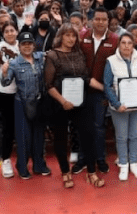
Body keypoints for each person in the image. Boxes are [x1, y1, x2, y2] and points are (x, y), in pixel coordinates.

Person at [45, 23, 104, 188]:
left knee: (88, 135)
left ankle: (91, 172)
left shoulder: (79, 53)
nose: (71, 39)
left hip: (80, 102)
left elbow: (85, 78)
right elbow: (48, 85)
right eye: (67, 35)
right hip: (60, 104)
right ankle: (65, 172)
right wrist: (63, 101)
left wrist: (104, 88)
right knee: (61, 138)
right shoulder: (52, 55)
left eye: (73, 36)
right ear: (60, 36)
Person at [0, 31, 51, 179]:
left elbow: (52, 55)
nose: (27, 46)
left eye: (29, 44)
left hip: (39, 101)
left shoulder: (40, 58)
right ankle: (22, 166)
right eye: (24, 44)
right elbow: (6, 82)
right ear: (19, 46)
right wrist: (4, 73)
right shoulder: (14, 63)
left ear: (34, 45)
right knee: (24, 137)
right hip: (22, 103)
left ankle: (39, 165)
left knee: (39, 136)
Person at [72, 7, 117, 174]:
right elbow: (75, 60)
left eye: (103, 19)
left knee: (99, 127)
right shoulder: (83, 37)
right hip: (82, 89)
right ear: (92, 20)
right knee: (82, 126)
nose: (100, 22)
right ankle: (83, 159)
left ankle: (100, 159)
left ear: (108, 21)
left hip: (101, 92)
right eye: (97, 19)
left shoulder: (115, 40)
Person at [104, 33, 137, 181]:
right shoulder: (111, 61)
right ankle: (123, 164)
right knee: (121, 137)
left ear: (133, 44)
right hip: (120, 108)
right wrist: (116, 104)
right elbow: (107, 85)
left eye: (129, 43)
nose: (126, 46)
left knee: (135, 136)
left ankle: (134, 163)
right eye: (123, 43)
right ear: (119, 44)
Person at [0, 23, 19, 178]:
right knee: (7, 128)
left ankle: (24, 159)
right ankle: (6, 160)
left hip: (22, 92)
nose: (10, 33)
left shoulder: (23, 45)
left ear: (17, 31)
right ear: (3, 34)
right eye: (6, 31)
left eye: (12, 30)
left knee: (22, 128)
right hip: (5, 92)